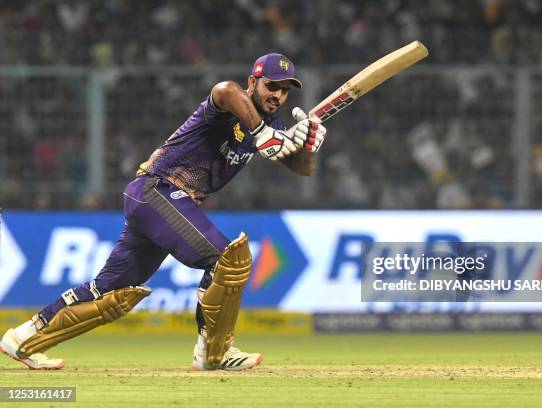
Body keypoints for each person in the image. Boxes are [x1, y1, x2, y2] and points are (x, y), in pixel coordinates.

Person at [0, 53, 326, 371]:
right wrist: (263, 134)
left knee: (107, 292)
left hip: (160, 203)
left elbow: (299, 165)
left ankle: (23, 337)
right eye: (272, 86)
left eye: (285, 90)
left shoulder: (269, 124)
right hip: (157, 190)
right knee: (228, 259)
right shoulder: (233, 104)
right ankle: (213, 350)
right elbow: (225, 90)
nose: (278, 95)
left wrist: (307, 145)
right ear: (253, 82)